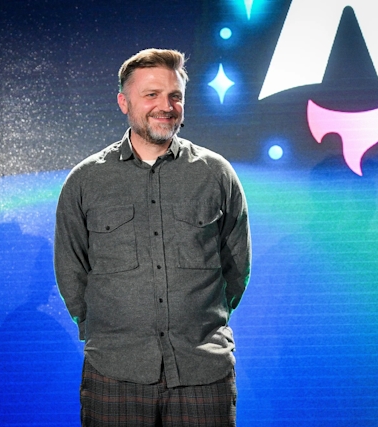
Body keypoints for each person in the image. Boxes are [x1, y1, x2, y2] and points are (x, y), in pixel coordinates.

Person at [54, 48, 251, 426]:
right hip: (114, 374)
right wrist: (106, 333)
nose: (166, 106)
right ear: (123, 102)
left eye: (174, 96)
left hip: (202, 374)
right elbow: (71, 271)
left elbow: (236, 268)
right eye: (151, 95)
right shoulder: (85, 181)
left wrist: (196, 323)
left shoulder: (216, 174)